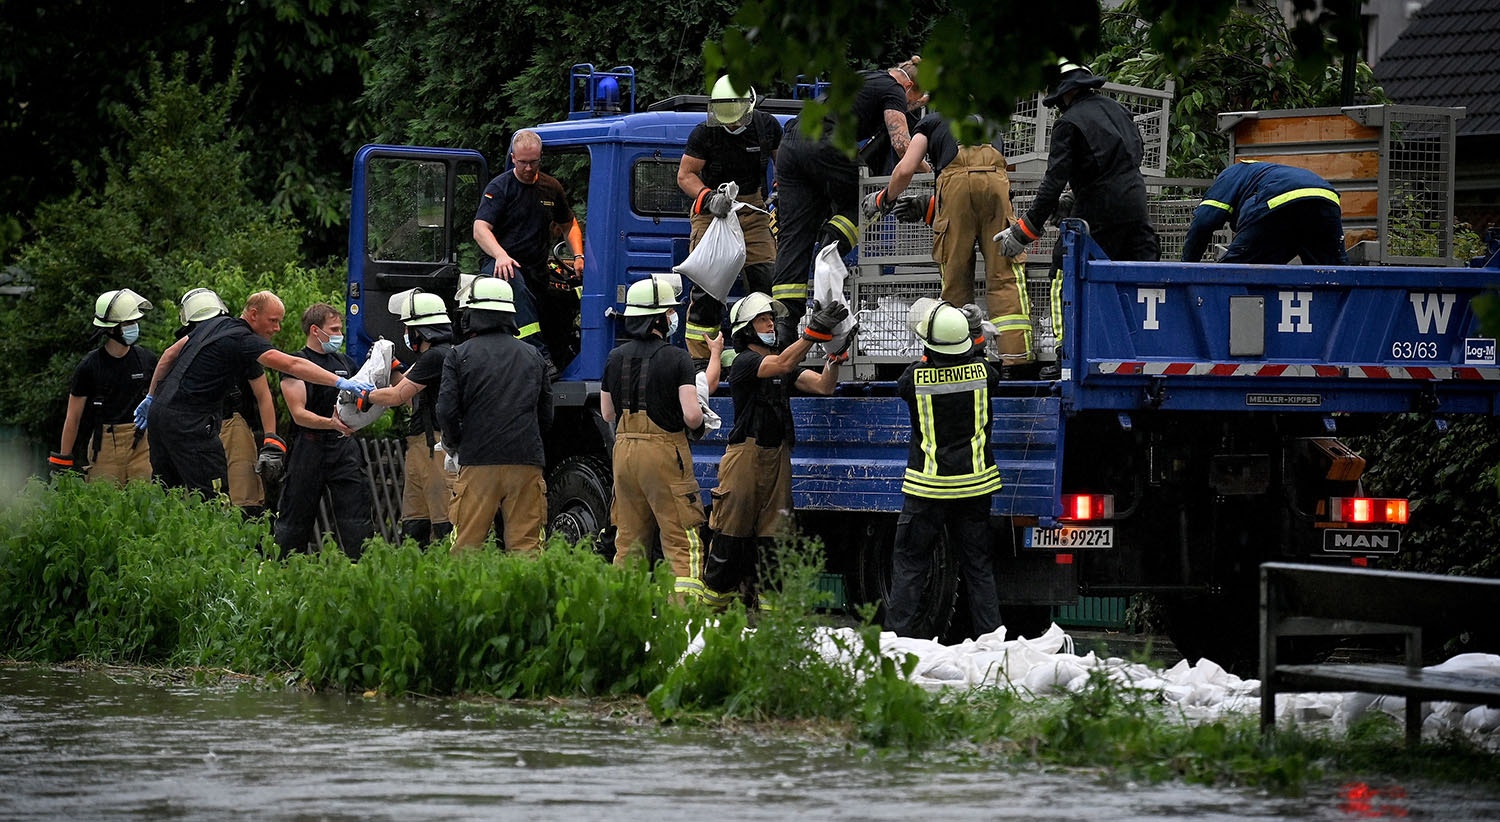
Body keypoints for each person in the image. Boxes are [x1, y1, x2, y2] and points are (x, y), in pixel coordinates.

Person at [136, 291, 373, 504]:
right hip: (190, 422)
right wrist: (341, 382)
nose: (277, 328)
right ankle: (214, 536)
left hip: (159, 415)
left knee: (167, 493)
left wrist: (151, 398)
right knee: (213, 497)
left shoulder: (214, 325)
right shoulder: (242, 340)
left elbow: (169, 354)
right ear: (253, 314)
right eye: (273, 320)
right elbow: (291, 364)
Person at [700, 293, 847, 608]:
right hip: (745, 458)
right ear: (747, 329)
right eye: (763, 320)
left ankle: (771, 615)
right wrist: (812, 333)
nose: (771, 324)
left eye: (771, 319)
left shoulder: (781, 363)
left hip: (777, 458)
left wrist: (835, 357)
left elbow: (824, 386)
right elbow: (782, 363)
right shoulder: (744, 362)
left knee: (775, 540)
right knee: (730, 535)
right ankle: (712, 612)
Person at [866, 113, 1037, 377]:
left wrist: (883, 198)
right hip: (997, 186)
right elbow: (978, 182)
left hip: (955, 188)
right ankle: (1016, 362)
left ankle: (960, 357)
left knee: (955, 277)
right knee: (1005, 275)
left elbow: (907, 168)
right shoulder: (991, 121)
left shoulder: (933, 122)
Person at [772, 57, 926, 329]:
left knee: (795, 234)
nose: (911, 106)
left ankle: (783, 324)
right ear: (909, 86)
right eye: (914, 101)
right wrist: (931, 173)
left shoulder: (866, 77)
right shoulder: (894, 89)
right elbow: (902, 145)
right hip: (825, 142)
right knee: (874, 199)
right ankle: (831, 246)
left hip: (791, 144)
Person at [884, 299, 1003, 639]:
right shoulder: (984, 375)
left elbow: (914, 373)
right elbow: (982, 362)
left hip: (928, 489)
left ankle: (896, 642)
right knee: (978, 568)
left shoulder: (913, 380)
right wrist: (975, 335)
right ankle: (992, 642)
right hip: (976, 487)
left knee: (910, 564)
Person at [995, 61, 1160, 266]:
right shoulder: (1120, 111)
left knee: (1065, 267)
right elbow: (1124, 163)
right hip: (1136, 208)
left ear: (1066, 91)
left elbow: (1053, 184)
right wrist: (1073, 198)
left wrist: (1022, 233)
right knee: (1139, 276)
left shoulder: (1068, 123)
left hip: (1097, 214)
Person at [437, 277, 554, 553]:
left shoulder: (458, 355)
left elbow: (446, 410)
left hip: (478, 460)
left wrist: (456, 443)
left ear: (473, 316)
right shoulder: (533, 355)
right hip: (526, 461)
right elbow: (546, 414)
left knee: (466, 547)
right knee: (527, 548)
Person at [675, 75, 782, 366]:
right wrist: (709, 197)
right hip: (711, 212)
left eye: (736, 120)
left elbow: (784, 165)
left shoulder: (766, 127)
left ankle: (763, 354)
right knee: (708, 287)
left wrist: (782, 192)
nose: (732, 126)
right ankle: (701, 359)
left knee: (765, 280)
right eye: (727, 121)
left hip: (752, 208)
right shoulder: (704, 134)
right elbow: (685, 175)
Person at [473, 128, 582, 373]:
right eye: (523, 162)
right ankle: (539, 358)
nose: (529, 168)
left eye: (534, 162)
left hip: (536, 267)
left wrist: (578, 255)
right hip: (501, 265)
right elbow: (480, 229)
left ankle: (562, 358)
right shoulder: (500, 188)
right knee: (516, 286)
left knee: (558, 302)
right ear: (513, 158)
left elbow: (569, 224)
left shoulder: (551, 187)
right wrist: (500, 255)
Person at [272, 304, 375, 559]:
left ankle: (361, 569)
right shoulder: (296, 363)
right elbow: (298, 413)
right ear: (315, 331)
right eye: (335, 329)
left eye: (340, 329)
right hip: (309, 446)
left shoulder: (345, 363)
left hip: (343, 446)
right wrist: (330, 423)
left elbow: (365, 399)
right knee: (294, 519)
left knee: (357, 517)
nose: (340, 335)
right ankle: (285, 569)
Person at [176, 287, 281, 518]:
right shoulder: (185, 346)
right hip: (194, 428)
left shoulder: (238, 342)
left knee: (244, 502)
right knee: (200, 501)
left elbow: (264, 395)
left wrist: (270, 439)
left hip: (231, 425)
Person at [363, 288, 456, 545]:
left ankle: (444, 565)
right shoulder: (433, 356)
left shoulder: (436, 356)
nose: (405, 333)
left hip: (435, 445)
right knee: (416, 519)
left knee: (442, 518)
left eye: (408, 328)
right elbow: (406, 389)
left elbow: (397, 397)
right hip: (422, 445)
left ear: (420, 330)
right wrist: (392, 366)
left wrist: (363, 396)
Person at [52, 289, 158, 485]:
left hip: (142, 443)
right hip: (105, 446)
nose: (133, 327)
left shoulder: (147, 360)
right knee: (104, 498)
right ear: (110, 329)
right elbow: (73, 417)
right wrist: (63, 459)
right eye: (127, 323)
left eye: (134, 322)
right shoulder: (90, 366)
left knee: (146, 497)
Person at [1181, 160, 1348, 265]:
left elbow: (1203, 222)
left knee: (1235, 270)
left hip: (1278, 199)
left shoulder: (1229, 176)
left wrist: (1186, 269)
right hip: (1327, 198)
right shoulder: (1264, 172)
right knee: (1331, 274)